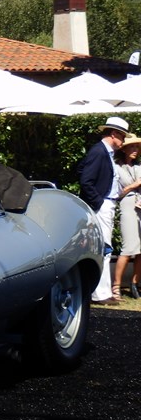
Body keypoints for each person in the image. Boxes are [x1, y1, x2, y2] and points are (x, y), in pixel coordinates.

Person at [78, 116, 130, 305]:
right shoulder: (100, 152)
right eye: (122, 137)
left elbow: (82, 170)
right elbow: (86, 180)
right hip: (102, 205)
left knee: (104, 248)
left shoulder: (102, 152)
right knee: (103, 248)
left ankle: (102, 291)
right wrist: (98, 202)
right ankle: (99, 294)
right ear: (114, 134)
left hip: (105, 204)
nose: (123, 142)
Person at [113, 134, 141, 299]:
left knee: (140, 250)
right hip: (127, 207)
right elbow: (117, 193)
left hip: (140, 208)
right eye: (132, 147)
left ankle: (135, 284)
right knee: (128, 247)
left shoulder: (138, 168)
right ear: (123, 149)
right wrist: (134, 185)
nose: (135, 150)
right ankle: (116, 286)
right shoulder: (117, 169)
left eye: (136, 147)